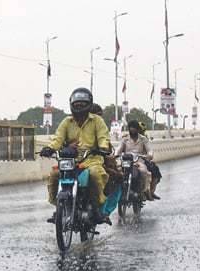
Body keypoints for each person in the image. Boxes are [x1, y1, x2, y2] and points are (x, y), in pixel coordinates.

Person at [41, 88, 111, 224]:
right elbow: (58, 139)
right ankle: (59, 207)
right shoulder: (66, 122)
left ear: (89, 104)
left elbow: (103, 137)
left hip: (91, 159)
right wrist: (49, 148)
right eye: (76, 104)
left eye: (82, 104)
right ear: (72, 104)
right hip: (69, 160)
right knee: (54, 176)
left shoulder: (97, 121)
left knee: (96, 175)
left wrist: (102, 147)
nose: (79, 106)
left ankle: (96, 208)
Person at [114, 120, 156, 201]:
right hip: (126, 161)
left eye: (134, 129)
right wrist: (116, 154)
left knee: (144, 172)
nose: (132, 130)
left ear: (138, 129)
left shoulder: (143, 139)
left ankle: (144, 191)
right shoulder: (125, 139)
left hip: (138, 161)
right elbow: (118, 149)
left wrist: (149, 155)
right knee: (116, 172)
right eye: (131, 129)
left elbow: (149, 150)